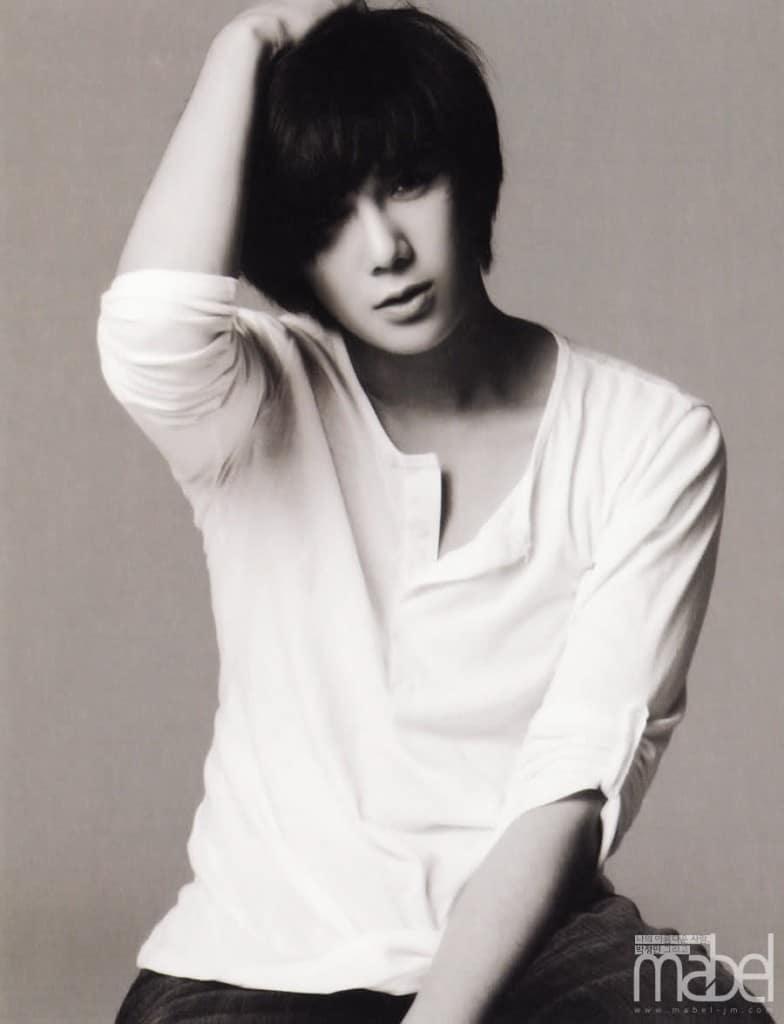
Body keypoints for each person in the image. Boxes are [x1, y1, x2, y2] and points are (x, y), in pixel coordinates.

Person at [98, 3, 773, 1022]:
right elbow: (150, 328)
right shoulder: (256, 401)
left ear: (472, 174)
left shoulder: (650, 436)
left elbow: (573, 783)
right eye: (329, 217)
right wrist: (247, 43)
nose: (384, 249)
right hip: (261, 953)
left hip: (533, 935)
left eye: (409, 182)